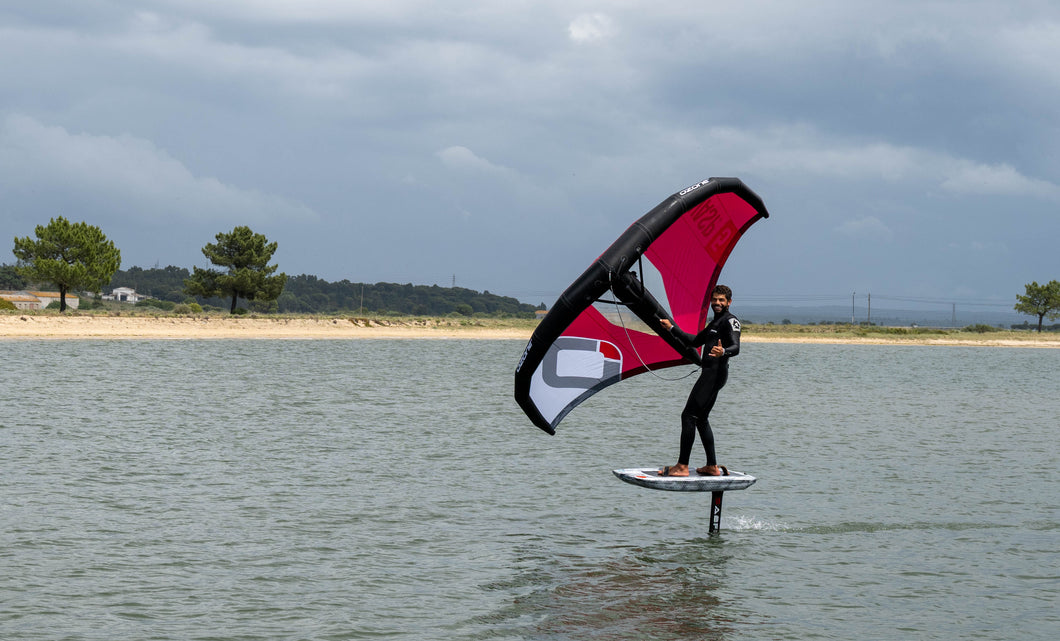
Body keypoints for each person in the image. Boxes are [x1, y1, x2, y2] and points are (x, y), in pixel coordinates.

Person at [658, 285, 740, 477]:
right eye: (715, 300)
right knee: (701, 419)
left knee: (688, 416)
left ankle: (682, 466)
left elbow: (736, 347)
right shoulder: (715, 323)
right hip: (711, 374)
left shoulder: (730, 321)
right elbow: (694, 341)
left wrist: (724, 352)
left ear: (729, 302)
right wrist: (671, 328)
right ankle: (712, 466)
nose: (717, 303)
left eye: (721, 300)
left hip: (714, 375)